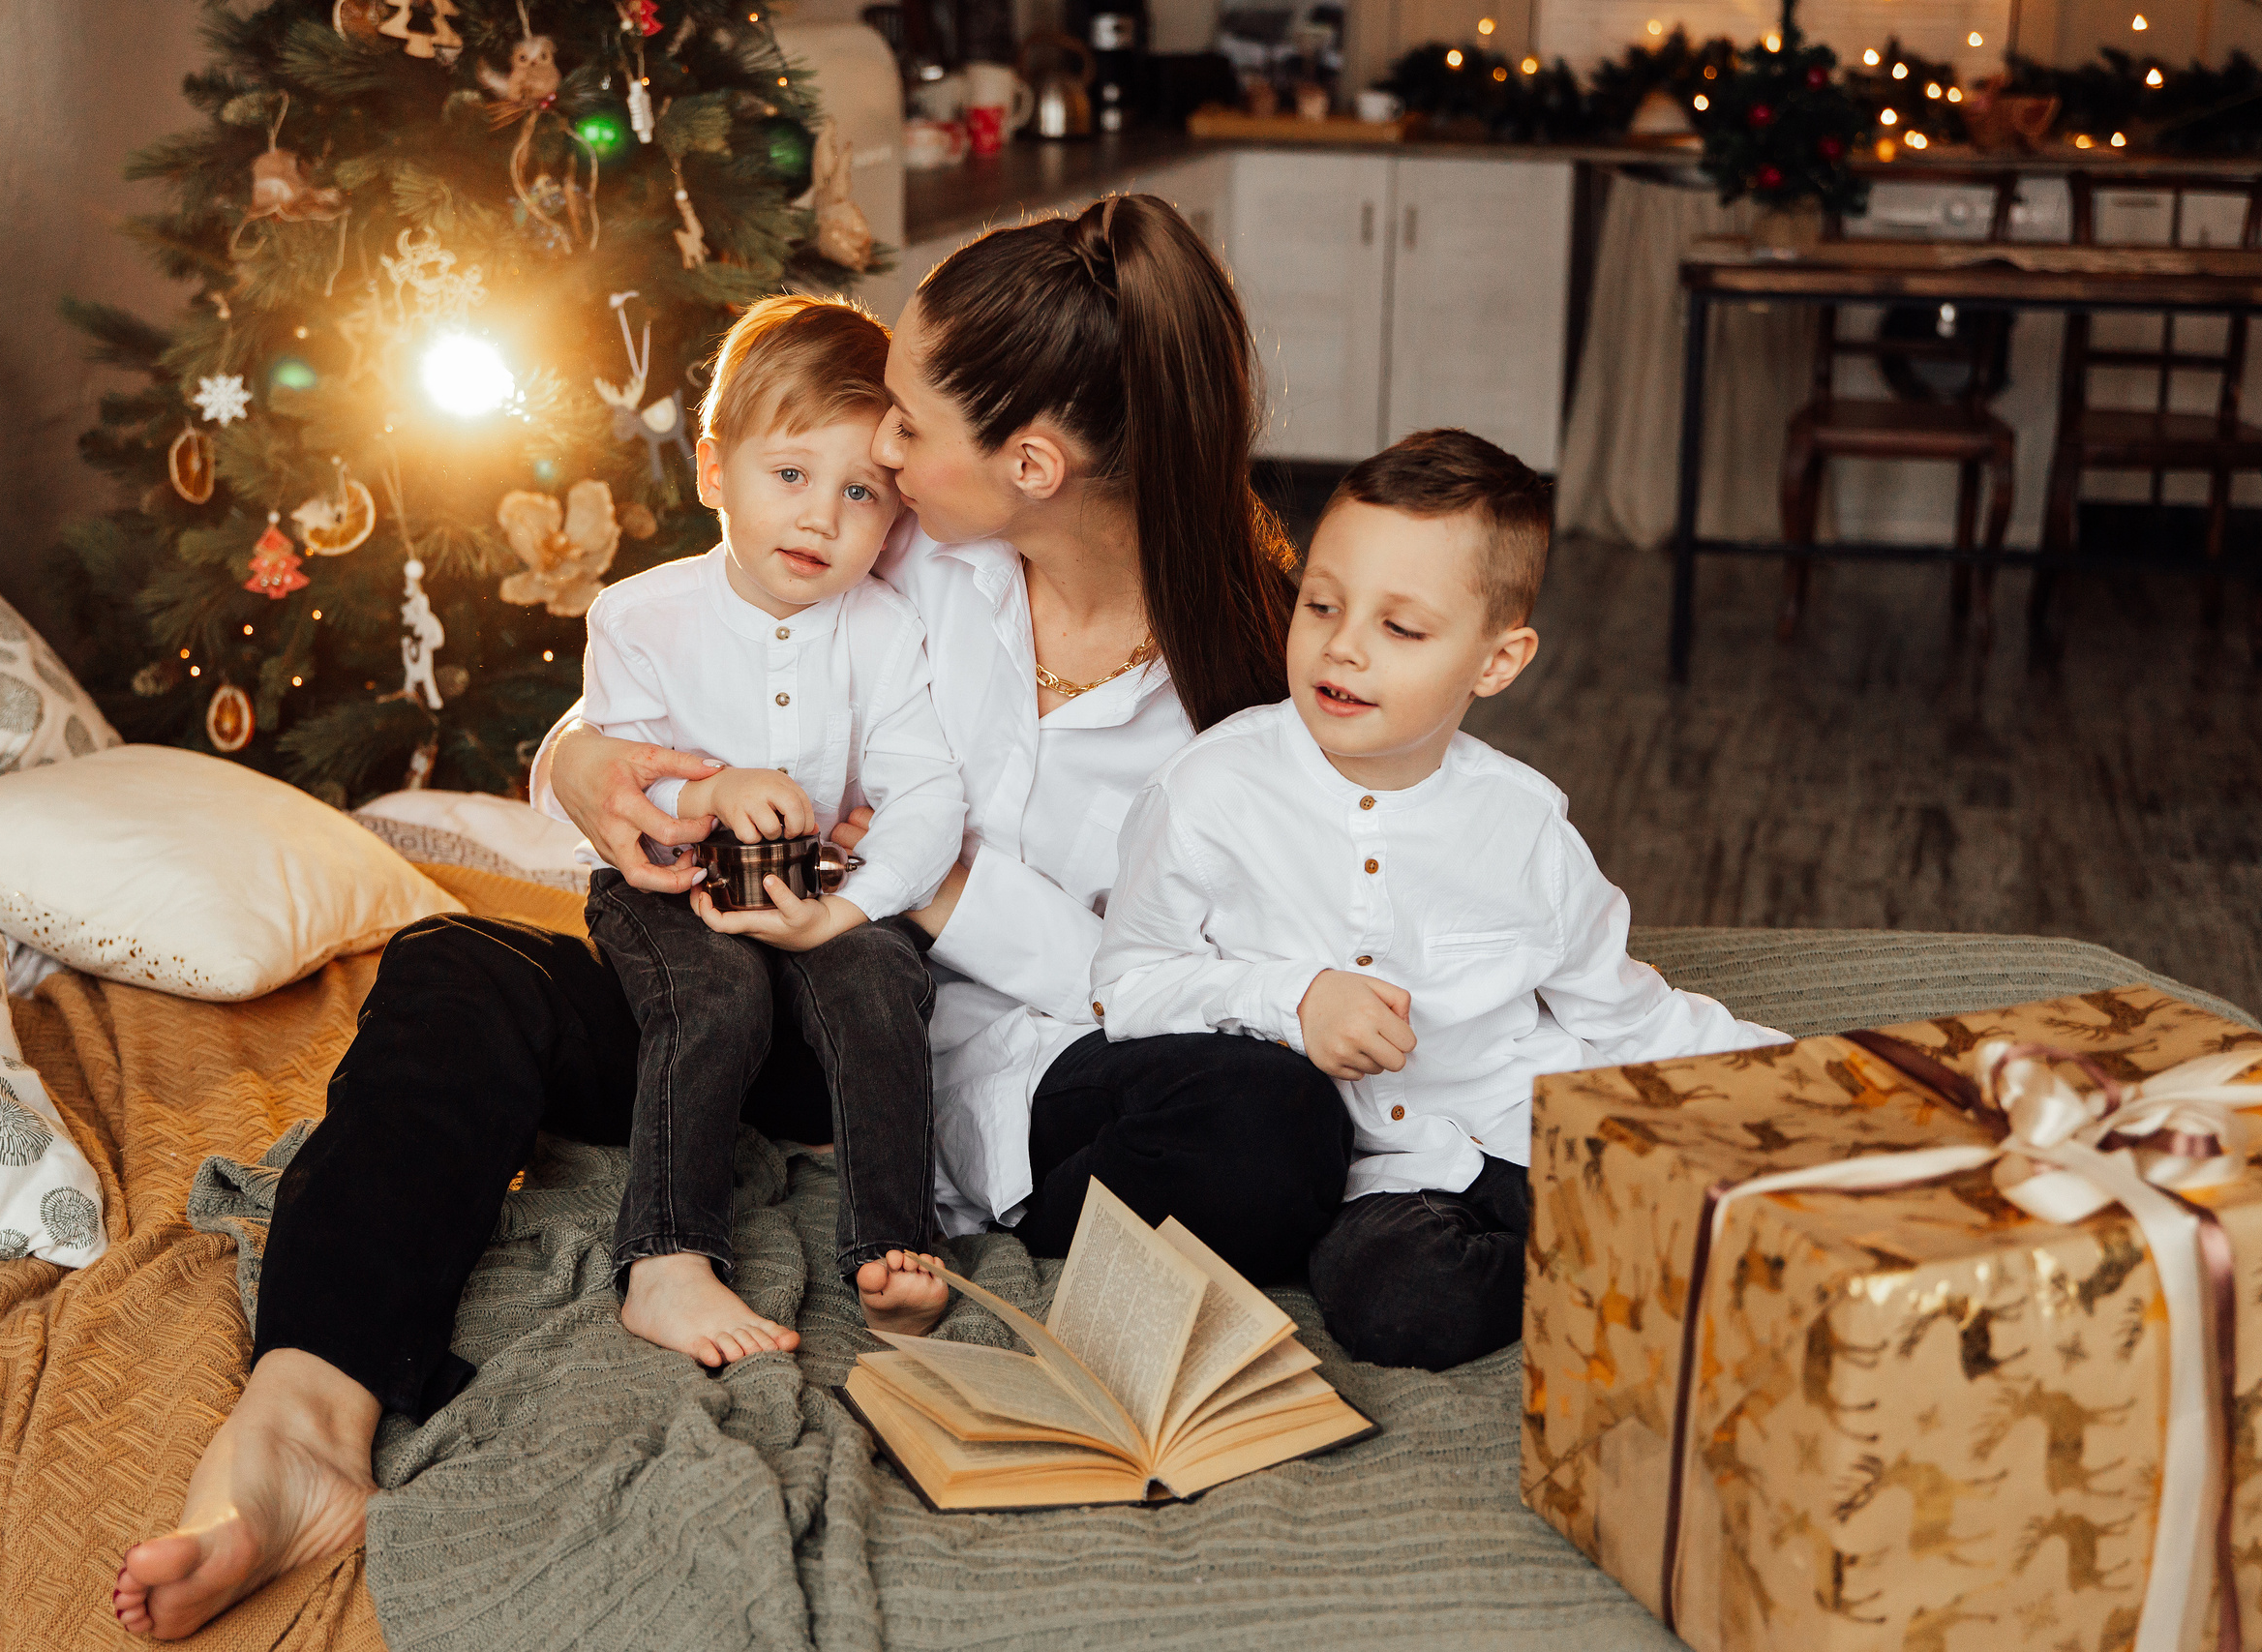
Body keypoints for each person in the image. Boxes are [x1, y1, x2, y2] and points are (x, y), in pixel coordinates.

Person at [114, 194, 1345, 1641]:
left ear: (1028, 464)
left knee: (1274, 1124)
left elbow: (1223, 979)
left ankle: (970, 1203)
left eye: (904, 425)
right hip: (763, 1010)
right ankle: (304, 1421)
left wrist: (943, 890)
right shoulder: (910, 550)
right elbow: (703, 642)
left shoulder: (1255, 680)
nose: (871, 453)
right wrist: (581, 760)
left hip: (1027, 1076)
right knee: (457, 970)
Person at [1090, 428, 1788, 1373]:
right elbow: (1127, 988)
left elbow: (1624, 1015)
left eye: (1400, 628)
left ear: (1496, 663)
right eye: (1321, 605)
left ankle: (1623, 1249)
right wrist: (1289, 997)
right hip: (1381, 1176)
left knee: (1741, 1208)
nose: (1343, 648)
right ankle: (1598, 1272)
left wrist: (1797, 1076)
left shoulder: (1526, 825)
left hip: (1531, 1121)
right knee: (1397, 1305)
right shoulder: (1209, 791)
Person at [569, 293, 965, 1366]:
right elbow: (629, 797)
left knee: (883, 981)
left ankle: (894, 1240)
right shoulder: (638, 616)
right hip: (668, 887)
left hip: (819, 882)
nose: (820, 519)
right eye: (788, 475)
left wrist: (852, 905)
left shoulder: (884, 632)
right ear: (713, 472)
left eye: (859, 493)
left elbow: (927, 792)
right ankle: (666, 1257)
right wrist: (711, 793)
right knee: (713, 996)